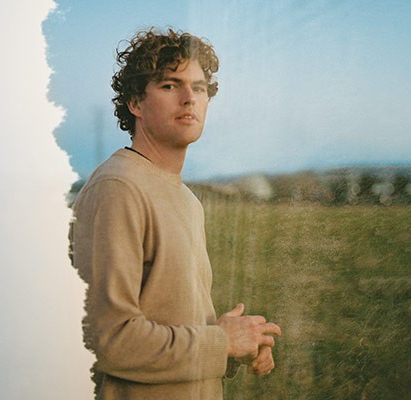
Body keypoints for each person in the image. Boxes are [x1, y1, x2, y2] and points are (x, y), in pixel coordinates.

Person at [69, 28, 281, 400]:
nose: (189, 99)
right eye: (170, 86)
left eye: (199, 88)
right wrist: (221, 342)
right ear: (135, 102)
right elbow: (108, 339)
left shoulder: (186, 199)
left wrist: (236, 345)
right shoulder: (118, 188)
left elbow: (174, 323)